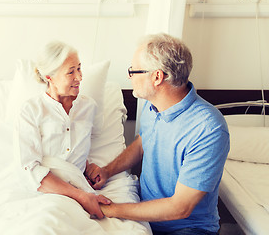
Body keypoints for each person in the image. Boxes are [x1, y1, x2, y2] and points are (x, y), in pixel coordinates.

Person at [85, 33, 230, 235]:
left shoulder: (208, 128)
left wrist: (111, 210)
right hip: (146, 217)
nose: (130, 76)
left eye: (133, 71)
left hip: (187, 228)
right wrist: (107, 171)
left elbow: (181, 207)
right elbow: (143, 143)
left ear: (157, 77)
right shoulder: (153, 106)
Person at [15, 40, 110, 219]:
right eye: (71, 72)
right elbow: (29, 168)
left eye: (79, 68)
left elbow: (83, 145)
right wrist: (81, 196)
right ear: (50, 77)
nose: (80, 77)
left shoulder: (89, 107)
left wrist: (87, 166)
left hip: (78, 184)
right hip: (42, 193)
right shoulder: (31, 110)